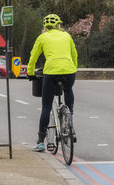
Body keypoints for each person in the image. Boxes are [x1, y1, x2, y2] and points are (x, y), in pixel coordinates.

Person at [27, 14, 78, 152]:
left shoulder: (42, 37)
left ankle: (41, 142)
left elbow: (33, 57)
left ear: (45, 26)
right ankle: (69, 118)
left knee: (46, 107)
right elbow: (74, 55)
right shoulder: (66, 36)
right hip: (69, 70)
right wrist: (73, 68)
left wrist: (31, 73)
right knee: (68, 89)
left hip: (51, 72)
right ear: (58, 25)